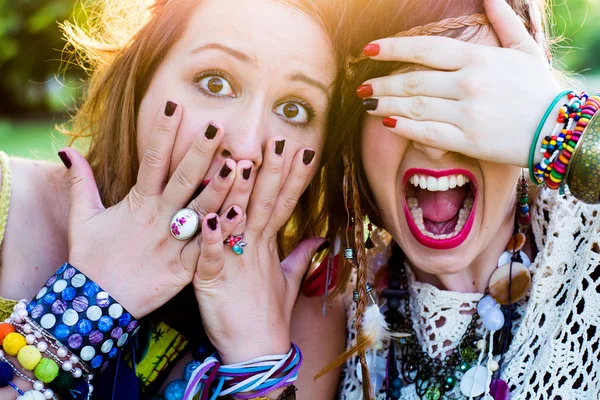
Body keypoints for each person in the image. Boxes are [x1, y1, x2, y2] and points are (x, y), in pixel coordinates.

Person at [0, 0, 347, 398]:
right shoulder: (7, 204)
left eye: (293, 108)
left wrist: (259, 361)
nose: (248, 147)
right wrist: (87, 302)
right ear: (142, 74)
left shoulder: (305, 314)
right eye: (215, 82)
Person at [322, 0, 600, 398]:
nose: (435, 143)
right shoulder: (335, 295)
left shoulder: (588, 250)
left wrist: (562, 126)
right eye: (402, 92)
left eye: (471, 97)